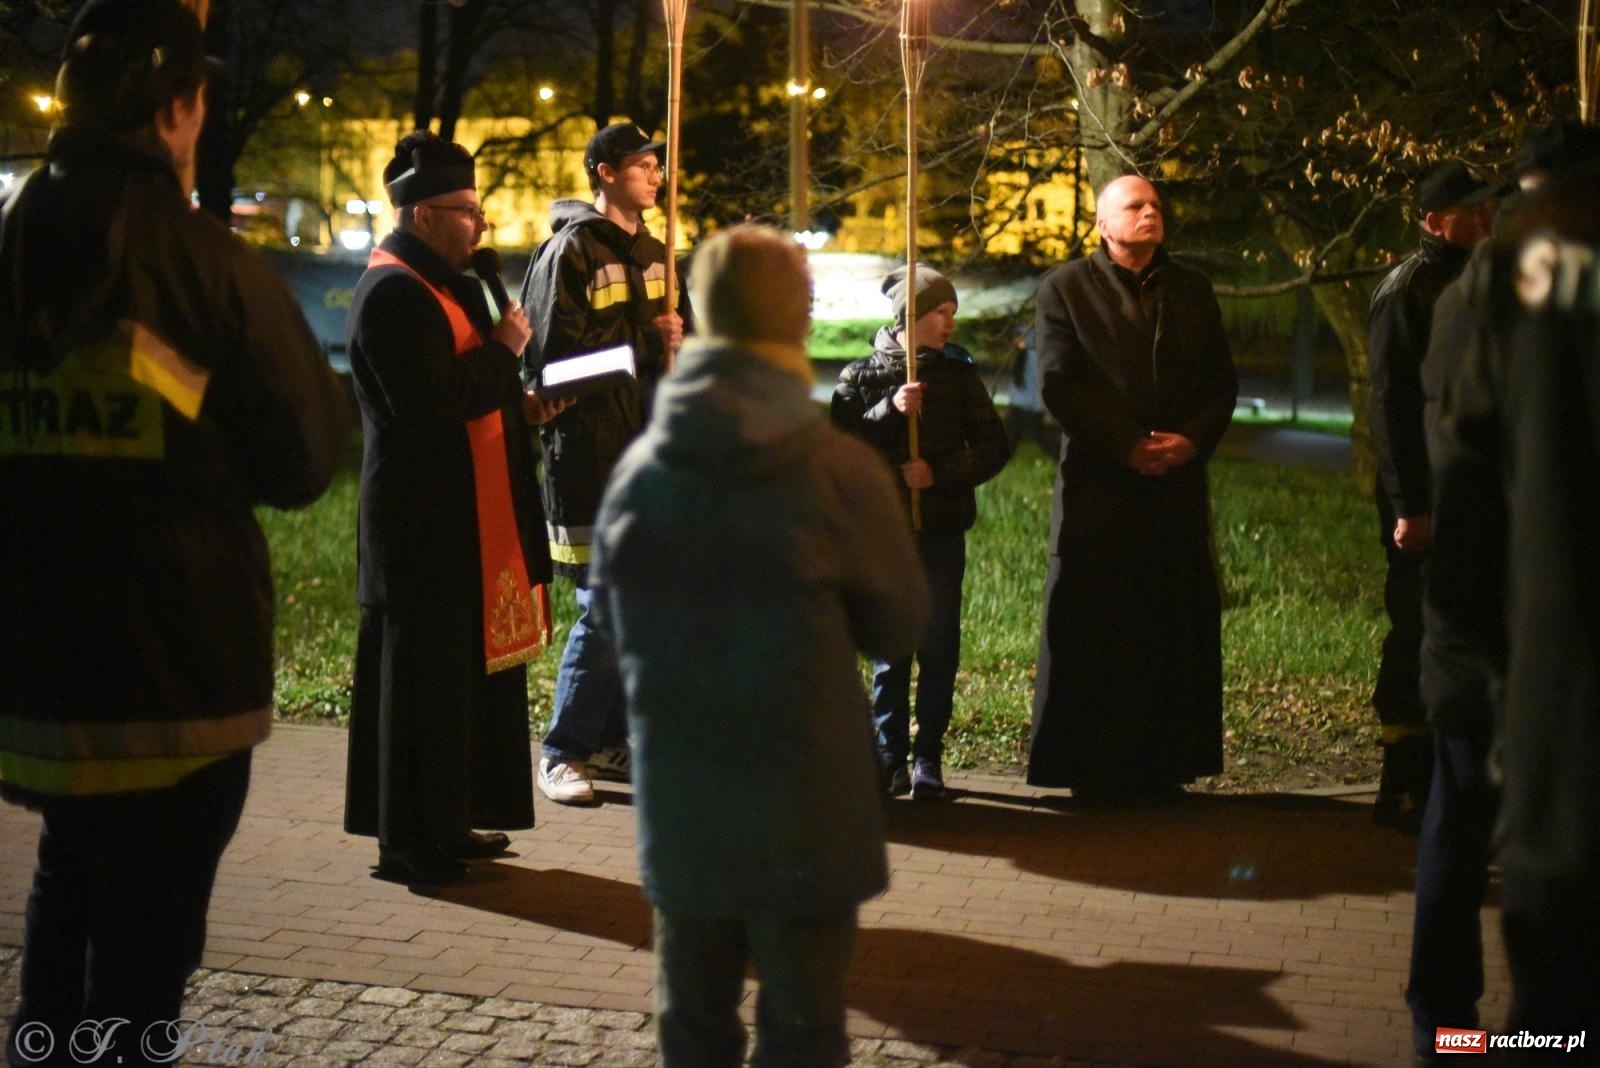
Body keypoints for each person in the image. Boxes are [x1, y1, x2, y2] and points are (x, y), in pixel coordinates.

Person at [0, 1, 347, 1063]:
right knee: (147, 945)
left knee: (65, 891)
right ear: (182, 109)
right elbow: (303, 460)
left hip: (36, 668)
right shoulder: (207, 263)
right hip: (174, 673)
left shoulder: (9, 249)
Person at [589, 224, 929, 1066]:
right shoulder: (839, 473)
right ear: (801, 320)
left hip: (685, 798)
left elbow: (618, 632)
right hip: (806, 802)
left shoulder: (639, 477)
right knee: (805, 1031)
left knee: (693, 1027)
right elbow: (899, 627)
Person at [1405, 122, 1600, 1056]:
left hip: (1525, 650)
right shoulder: (1462, 287)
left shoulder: (1492, 286)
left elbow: (1465, 469)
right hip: (1530, 647)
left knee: (1485, 851)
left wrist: (1464, 640)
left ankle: (1454, 1034)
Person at [343, 131, 564, 887]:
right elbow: (428, 406)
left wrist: (523, 407)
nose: (480, 226)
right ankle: (408, 844)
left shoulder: (443, 284)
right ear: (424, 214)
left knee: (452, 691)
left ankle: (449, 820)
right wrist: (503, 355)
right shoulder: (392, 291)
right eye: (468, 212)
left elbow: (467, 392)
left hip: (464, 525)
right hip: (420, 532)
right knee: (417, 694)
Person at [1026, 174, 1238, 798]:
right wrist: (1127, 446)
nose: (1150, 214)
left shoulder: (1191, 291)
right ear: (1103, 223)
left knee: (1170, 624)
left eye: (1155, 206)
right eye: (1134, 206)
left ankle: (1165, 766)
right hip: (1101, 487)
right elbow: (1061, 384)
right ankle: (1090, 769)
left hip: (1174, 487)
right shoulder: (1064, 290)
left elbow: (1220, 382)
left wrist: (1190, 441)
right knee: (1096, 626)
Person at [519, 120, 685, 805]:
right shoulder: (570, 252)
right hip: (590, 457)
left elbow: (678, 350)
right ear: (606, 172)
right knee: (605, 606)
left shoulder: (659, 253)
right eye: (643, 164)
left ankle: (610, 742)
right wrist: (645, 342)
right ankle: (562, 751)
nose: (655, 174)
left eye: (656, 164)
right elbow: (553, 366)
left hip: (649, 456)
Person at [830, 266, 1010, 799]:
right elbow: (841, 446)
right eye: (940, 313)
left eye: (953, 313)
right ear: (910, 315)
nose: (949, 323)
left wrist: (941, 473)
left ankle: (928, 752)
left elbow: (994, 447)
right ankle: (889, 755)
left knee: (937, 642)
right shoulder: (861, 376)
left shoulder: (958, 377)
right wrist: (890, 409)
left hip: (940, 530)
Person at [1364, 159, 1497, 832]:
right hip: (1427, 495)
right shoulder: (1408, 288)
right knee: (1416, 629)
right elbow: (1390, 405)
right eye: (1469, 207)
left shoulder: (1485, 282)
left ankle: (1455, 774)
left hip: (1473, 493)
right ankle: (1403, 781)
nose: (1484, 216)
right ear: (1431, 219)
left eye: (1486, 204)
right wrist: (1409, 504)